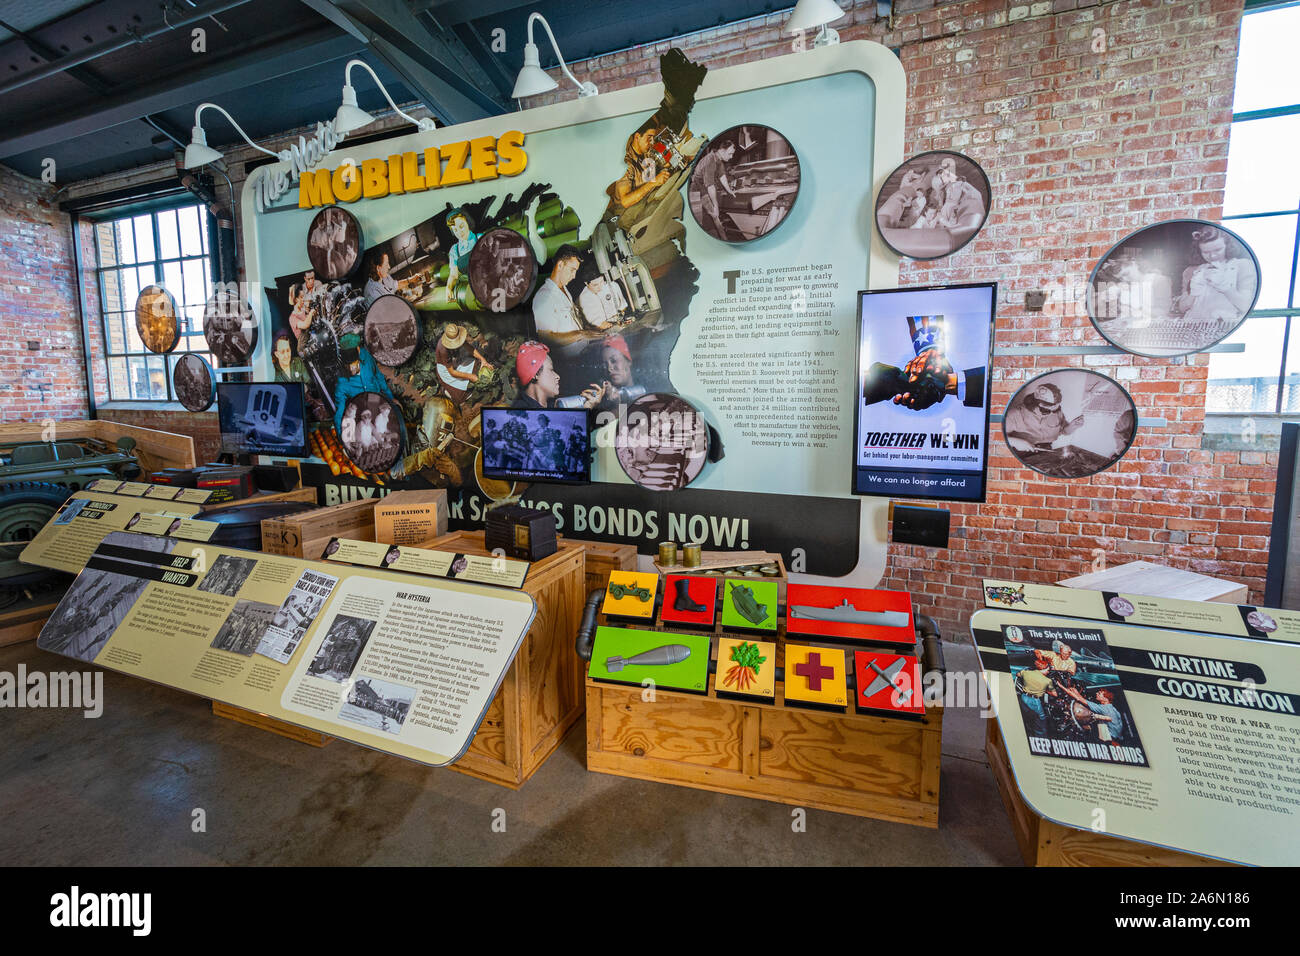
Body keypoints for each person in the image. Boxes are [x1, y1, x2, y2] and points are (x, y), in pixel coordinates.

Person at [1174, 228, 1255, 326]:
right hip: (1192, 326)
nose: (1212, 256)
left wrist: (1226, 288)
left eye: (1218, 250)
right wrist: (1193, 293)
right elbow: (1182, 308)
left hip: (1223, 326)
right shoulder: (1191, 271)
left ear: (1227, 246)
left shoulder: (1243, 266)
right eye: (1206, 252)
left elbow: (1246, 306)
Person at [513, 341, 602, 410]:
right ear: (535, 374)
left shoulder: (552, 405)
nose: (557, 376)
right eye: (551, 370)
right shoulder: (521, 412)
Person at [1004, 382, 1084, 454]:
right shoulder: (1015, 414)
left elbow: (1063, 431)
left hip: (1046, 449)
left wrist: (1073, 426)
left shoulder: (1056, 411)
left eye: (1057, 404)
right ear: (1041, 404)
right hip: (1021, 452)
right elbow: (997, 436)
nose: (1057, 407)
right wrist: (1015, 442)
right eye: (1053, 406)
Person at [694, 137, 738, 237]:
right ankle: (722, 239)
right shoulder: (710, 160)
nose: (731, 157)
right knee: (714, 216)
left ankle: (715, 234)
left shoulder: (718, 159)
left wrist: (729, 191)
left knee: (711, 218)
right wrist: (716, 206)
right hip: (697, 190)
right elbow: (710, 186)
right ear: (722, 151)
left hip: (705, 189)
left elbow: (722, 176)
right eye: (730, 153)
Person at [1013, 654, 1059, 737]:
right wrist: (1044, 690)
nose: (1048, 672)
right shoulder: (1047, 680)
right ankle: (1041, 737)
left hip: (1024, 698)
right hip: (1035, 702)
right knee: (1041, 720)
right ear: (1044, 669)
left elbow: (1018, 675)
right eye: (1048, 670)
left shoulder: (1026, 673)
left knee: (1027, 714)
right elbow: (1055, 694)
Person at [577, 260, 629, 327]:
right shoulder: (584, 299)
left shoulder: (612, 285)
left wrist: (621, 314)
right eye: (595, 285)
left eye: (601, 281)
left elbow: (623, 305)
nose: (600, 287)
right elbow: (595, 325)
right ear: (586, 283)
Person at [444, 208, 480, 302]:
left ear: (468, 222)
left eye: (461, 226)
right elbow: (454, 275)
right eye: (455, 230)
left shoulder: (481, 238)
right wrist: (448, 288)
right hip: (475, 292)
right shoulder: (454, 250)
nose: (459, 233)